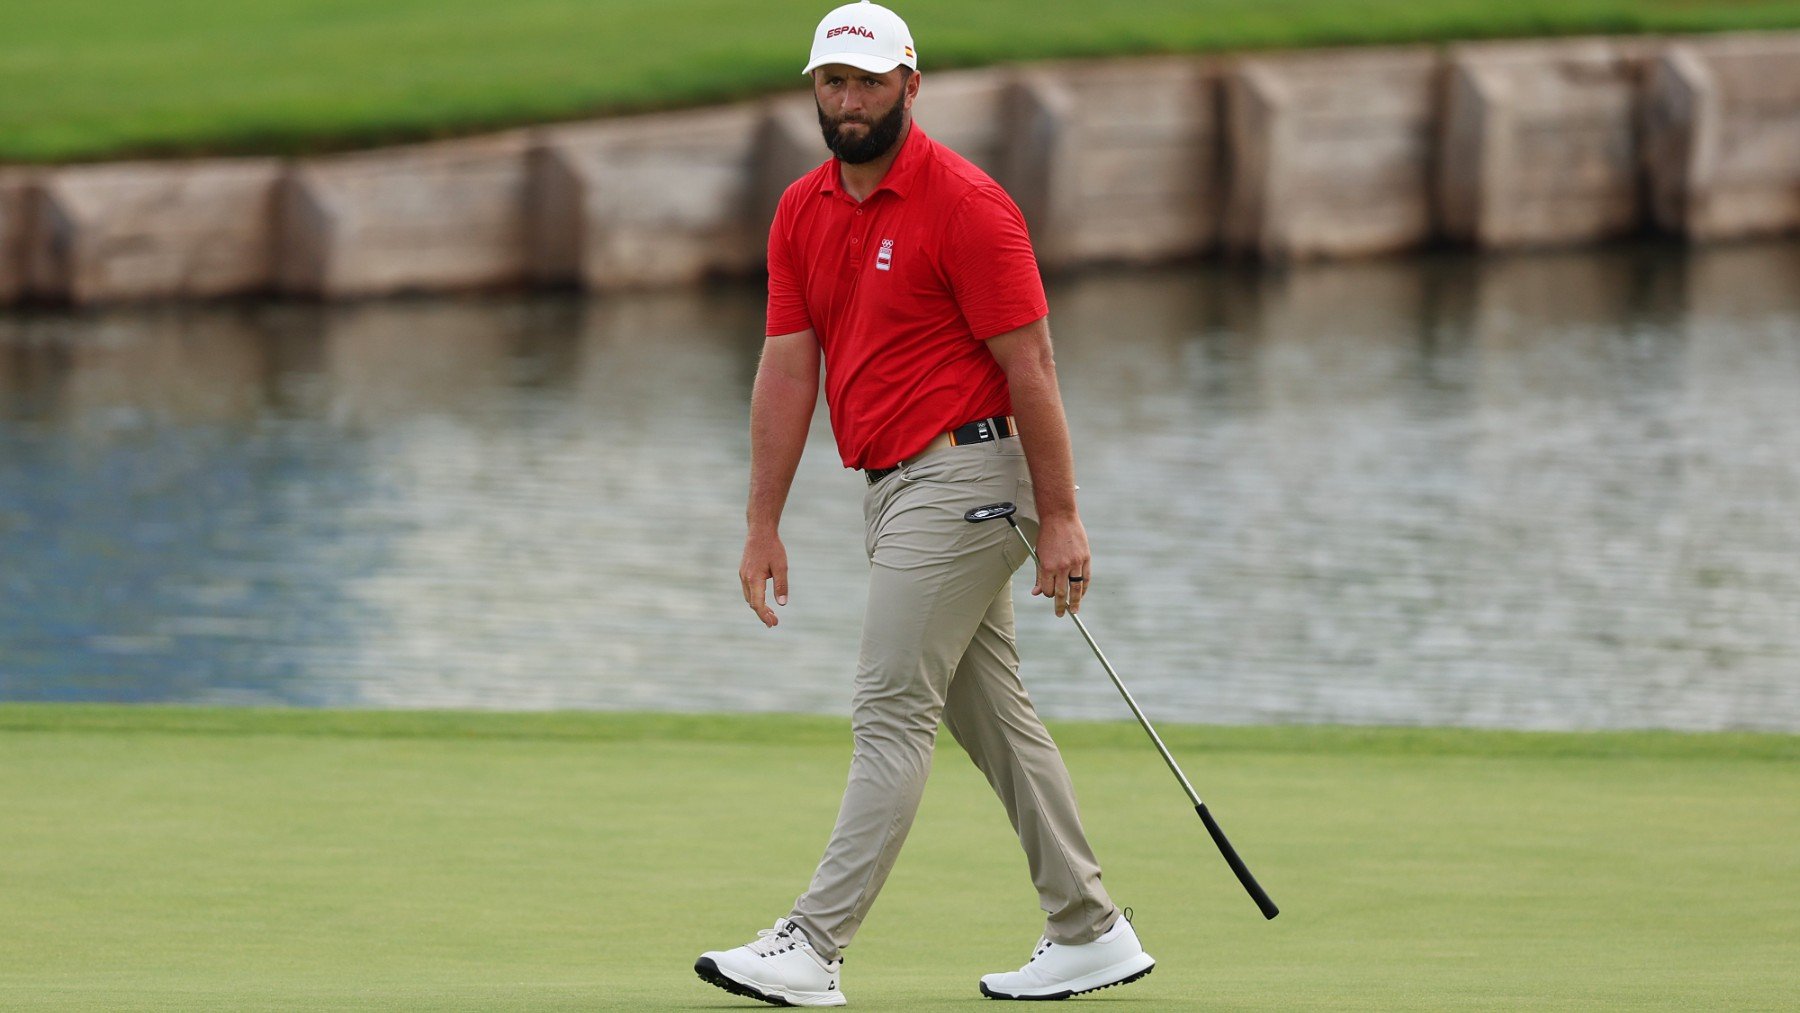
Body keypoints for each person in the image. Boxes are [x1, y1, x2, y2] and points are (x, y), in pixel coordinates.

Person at [694, 2, 1154, 1005]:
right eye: (831, 82)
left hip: (973, 478)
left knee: (892, 703)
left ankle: (814, 945)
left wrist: (1064, 515)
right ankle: (1089, 926)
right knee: (990, 712)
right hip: (896, 484)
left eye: (866, 82)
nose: (847, 101)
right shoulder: (801, 209)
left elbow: (1030, 362)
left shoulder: (967, 203)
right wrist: (761, 521)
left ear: (911, 84)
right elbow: (786, 367)